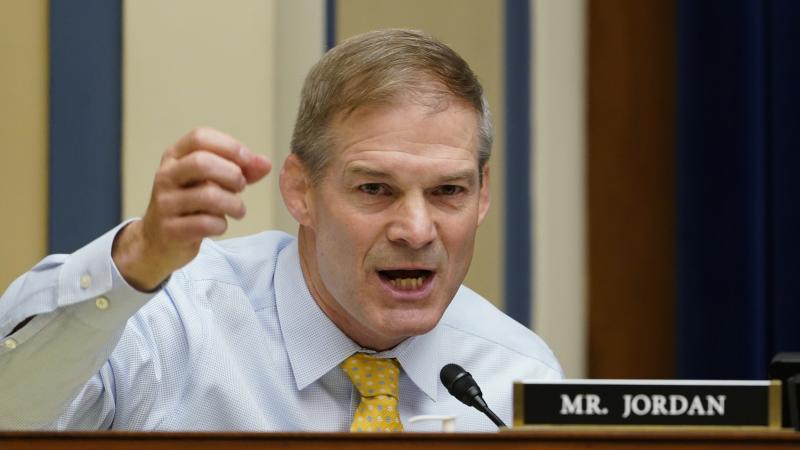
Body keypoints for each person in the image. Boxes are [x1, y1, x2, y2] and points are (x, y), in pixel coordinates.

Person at [0, 29, 561, 431]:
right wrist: (139, 257)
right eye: (374, 189)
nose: (416, 230)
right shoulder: (177, 325)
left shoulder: (515, 377)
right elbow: (13, 408)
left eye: (448, 192)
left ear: (483, 194)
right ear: (300, 191)